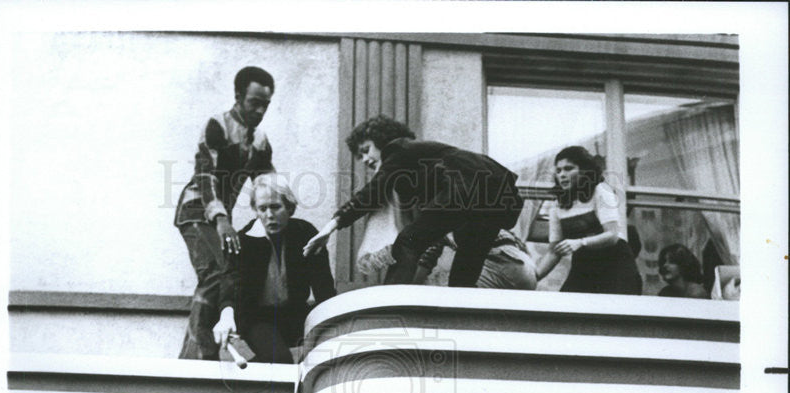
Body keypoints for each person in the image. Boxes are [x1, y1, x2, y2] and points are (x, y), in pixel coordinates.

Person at [303, 114, 523, 287]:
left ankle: (391, 304)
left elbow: (373, 191)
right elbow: (431, 225)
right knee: (466, 266)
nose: (366, 160)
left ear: (382, 140)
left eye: (366, 150)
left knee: (408, 241)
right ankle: (462, 316)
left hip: (467, 184)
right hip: (497, 195)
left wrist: (333, 225)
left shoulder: (396, 148)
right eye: (360, 157)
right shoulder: (417, 166)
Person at [175, 66, 276, 361]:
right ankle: (196, 357)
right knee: (217, 274)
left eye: (265, 105)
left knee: (222, 279)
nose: (259, 111)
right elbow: (206, 176)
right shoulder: (218, 125)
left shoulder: (260, 141)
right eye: (253, 103)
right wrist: (220, 219)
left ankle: (196, 354)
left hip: (221, 219)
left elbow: (267, 183)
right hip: (196, 211)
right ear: (238, 96)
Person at [212, 175, 336, 364]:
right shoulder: (244, 240)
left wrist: (333, 326)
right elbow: (230, 281)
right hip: (258, 318)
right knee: (278, 358)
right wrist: (226, 315)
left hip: (295, 315)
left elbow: (323, 285)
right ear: (256, 211)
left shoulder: (305, 233)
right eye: (263, 209)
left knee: (330, 353)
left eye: (275, 207)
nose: (269, 215)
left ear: (289, 208)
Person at [534, 146, 641, 295]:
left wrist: (580, 242)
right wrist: (533, 277)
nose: (562, 175)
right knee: (566, 308)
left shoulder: (601, 190)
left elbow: (612, 235)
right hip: (584, 265)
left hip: (615, 263)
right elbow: (554, 251)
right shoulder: (558, 204)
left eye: (568, 169)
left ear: (584, 170)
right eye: (558, 171)